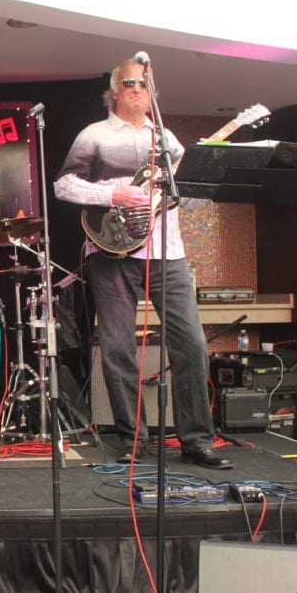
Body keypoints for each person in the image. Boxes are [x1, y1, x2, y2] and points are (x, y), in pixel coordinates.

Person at [53, 57, 232, 470]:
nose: (137, 89)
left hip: (167, 251)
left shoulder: (166, 139)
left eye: (143, 84)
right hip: (112, 249)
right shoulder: (94, 135)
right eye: (129, 83)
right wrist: (111, 195)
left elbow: (188, 195)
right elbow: (64, 185)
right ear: (114, 93)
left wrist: (200, 179)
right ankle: (134, 440)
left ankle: (196, 441)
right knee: (118, 348)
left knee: (192, 345)